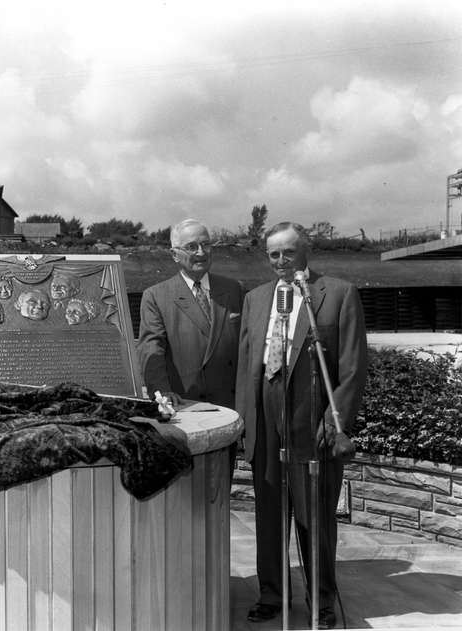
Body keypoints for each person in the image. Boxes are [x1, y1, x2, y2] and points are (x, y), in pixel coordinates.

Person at [236, 222, 367, 629]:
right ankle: (272, 594)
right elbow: (246, 365)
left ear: (306, 251)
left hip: (313, 423)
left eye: (288, 252)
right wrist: (246, 422)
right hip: (266, 419)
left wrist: (335, 419)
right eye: (273, 254)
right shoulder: (256, 298)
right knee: (270, 516)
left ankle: (322, 601)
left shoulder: (338, 294)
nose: (280, 261)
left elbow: (352, 365)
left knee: (315, 518)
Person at [137, 218, 244, 409]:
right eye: (191, 246)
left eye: (205, 244)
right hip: (186, 404)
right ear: (174, 255)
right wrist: (162, 392)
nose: (201, 253)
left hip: (233, 403)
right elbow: (151, 349)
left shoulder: (235, 289)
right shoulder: (156, 296)